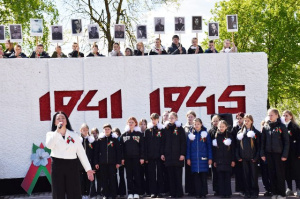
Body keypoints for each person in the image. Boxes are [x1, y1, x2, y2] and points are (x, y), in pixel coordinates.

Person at [45, 111, 94, 198]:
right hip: (57, 165)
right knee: (58, 192)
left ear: (67, 121)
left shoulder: (74, 135)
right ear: (54, 122)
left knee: (74, 192)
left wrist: (88, 169)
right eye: (58, 118)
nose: (61, 120)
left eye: (63, 118)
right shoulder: (51, 134)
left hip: (72, 165)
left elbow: (81, 152)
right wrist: (57, 131)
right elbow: (49, 146)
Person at [261, 108, 289, 199]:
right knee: (271, 174)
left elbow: (286, 142)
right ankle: (275, 193)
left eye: (272, 115)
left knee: (279, 174)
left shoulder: (282, 126)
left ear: (277, 115)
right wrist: (262, 154)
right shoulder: (266, 127)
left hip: (279, 154)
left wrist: (285, 155)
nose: (270, 117)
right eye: (269, 115)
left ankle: (282, 194)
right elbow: (263, 142)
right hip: (269, 154)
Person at [161, 112, 186, 198]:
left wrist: (182, 154)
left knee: (178, 175)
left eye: (172, 118)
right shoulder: (166, 129)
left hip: (177, 156)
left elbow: (183, 142)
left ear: (176, 119)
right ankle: (172, 193)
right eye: (170, 118)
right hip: (168, 156)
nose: (171, 119)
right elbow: (163, 142)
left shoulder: (180, 129)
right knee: (170, 176)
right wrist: (162, 153)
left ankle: (179, 193)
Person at [186, 118, 212, 198]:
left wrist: (210, 158)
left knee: (203, 178)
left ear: (201, 124)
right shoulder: (191, 135)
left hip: (203, 160)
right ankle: (198, 193)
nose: (196, 126)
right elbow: (188, 148)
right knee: (196, 178)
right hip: (194, 160)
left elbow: (209, 147)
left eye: (198, 124)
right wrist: (188, 158)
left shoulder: (205, 134)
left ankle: (203, 193)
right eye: (195, 124)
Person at [236, 114, 260, 198]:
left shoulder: (256, 132)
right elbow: (237, 147)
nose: (246, 122)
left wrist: (256, 157)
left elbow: (258, 147)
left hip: (253, 158)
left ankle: (254, 191)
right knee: (245, 176)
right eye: (245, 120)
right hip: (243, 158)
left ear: (252, 121)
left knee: (253, 176)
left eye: (248, 120)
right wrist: (238, 156)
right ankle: (247, 191)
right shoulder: (240, 133)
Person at [120, 117, 144, 199]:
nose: (130, 124)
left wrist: (142, 157)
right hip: (127, 159)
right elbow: (121, 148)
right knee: (129, 176)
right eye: (129, 122)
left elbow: (142, 147)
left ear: (135, 124)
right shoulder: (124, 135)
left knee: (137, 175)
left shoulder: (139, 134)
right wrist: (122, 158)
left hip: (137, 159)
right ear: (127, 123)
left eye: (132, 122)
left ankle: (137, 192)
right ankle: (130, 193)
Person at [94, 124, 121, 199]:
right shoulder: (100, 140)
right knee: (104, 179)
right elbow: (96, 152)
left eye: (108, 129)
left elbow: (118, 151)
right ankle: (105, 194)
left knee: (112, 179)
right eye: (105, 129)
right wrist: (96, 162)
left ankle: (113, 194)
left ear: (111, 130)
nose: (107, 130)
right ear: (103, 130)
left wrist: (118, 162)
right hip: (103, 163)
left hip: (112, 163)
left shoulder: (114, 140)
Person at [213, 120, 235, 198]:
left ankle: (228, 193)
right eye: (220, 127)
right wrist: (215, 160)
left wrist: (233, 160)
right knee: (220, 178)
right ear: (217, 127)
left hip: (228, 160)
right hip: (219, 161)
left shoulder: (229, 135)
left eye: (223, 126)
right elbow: (214, 150)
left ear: (226, 127)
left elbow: (233, 149)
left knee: (227, 178)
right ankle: (222, 193)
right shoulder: (216, 136)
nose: (221, 128)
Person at [145, 113, 165, 198]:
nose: (154, 121)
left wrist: (162, 153)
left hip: (159, 156)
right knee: (151, 174)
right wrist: (146, 157)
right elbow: (145, 145)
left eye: (155, 119)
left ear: (158, 120)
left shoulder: (161, 130)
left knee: (160, 174)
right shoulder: (147, 131)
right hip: (150, 157)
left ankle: (160, 192)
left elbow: (163, 143)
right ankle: (153, 192)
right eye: (152, 119)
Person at [282, 110, 300, 197]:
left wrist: (299, 153)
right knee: (286, 171)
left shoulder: (295, 127)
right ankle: (289, 189)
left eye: (287, 116)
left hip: (294, 153)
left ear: (291, 117)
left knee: (296, 171)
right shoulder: (281, 127)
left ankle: (298, 189)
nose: (285, 117)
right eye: (284, 115)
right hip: (285, 154)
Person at [79, 123, 95, 199]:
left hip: (89, 163)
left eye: (86, 130)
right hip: (80, 164)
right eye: (83, 130)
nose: (85, 132)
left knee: (88, 179)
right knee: (81, 179)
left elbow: (93, 152)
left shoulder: (91, 140)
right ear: (80, 130)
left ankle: (87, 193)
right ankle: (82, 194)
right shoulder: (78, 140)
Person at [231, 112, 245, 196]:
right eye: (238, 118)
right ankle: (240, 189)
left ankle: (246, 188)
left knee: (245, 173)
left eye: (241, 118)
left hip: (246, 153)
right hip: (237, 153)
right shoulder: (234, 129)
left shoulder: (246, 128)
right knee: (239, 173)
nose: (239, 120)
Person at [183, 110, 197, 196]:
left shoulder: (197, 127)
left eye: (192, 116)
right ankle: (189, 190)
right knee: (188, 171)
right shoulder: (184, 127)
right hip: (186, 151)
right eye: (188, 116)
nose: (190, 118)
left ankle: (195, 189)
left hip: (195, 152)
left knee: (194, 171)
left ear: (194, 117)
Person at [209, 115, 221, 196]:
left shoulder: (222, 130)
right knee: (215, 173)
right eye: (214, 121)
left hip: (222, 155)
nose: (215, 122)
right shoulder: (210, 132)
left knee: (221, 173)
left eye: (217, 121)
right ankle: (216, 190)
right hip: (214, 155)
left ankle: (222, 188)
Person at [259, 120, 272, 197]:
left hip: (270, 157)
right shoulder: (259, 135)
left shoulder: (269, 135)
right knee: (264, 175)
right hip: (263, 158)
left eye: (265, 125)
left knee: (271, 174)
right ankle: (267, 189)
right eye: (262, 125)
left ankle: (272, 189)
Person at [113, 128, 127, 197]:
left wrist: (122, 159)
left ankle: (122, 193)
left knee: (121, 177)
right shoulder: (112, 141)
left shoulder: (121, 140)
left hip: (121, 161)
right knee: (114, 177)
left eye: (117, 134)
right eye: (115, 134)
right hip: (114, 162)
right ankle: (115, 192)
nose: (116, 135)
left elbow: (123, 150)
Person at [89, 128, 101, 199]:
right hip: (91, 163)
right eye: (93, 133)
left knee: (99, 179)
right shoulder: (90, 142)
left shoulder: (100, 141)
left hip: (99, 163)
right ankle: (93, 194)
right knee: (92, 179)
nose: (94, 134)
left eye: (95, 132)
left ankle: (99, 193)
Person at [139, 119, 149, 196]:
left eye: (144, 124)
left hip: (147, 159)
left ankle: (148, 191)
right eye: (141, 124)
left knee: (148, 175)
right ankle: (141, 191)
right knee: (140, 176)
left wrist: (146, 158)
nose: (143, 126)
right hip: (139, 159)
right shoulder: (138, 134)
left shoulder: (148, 134)